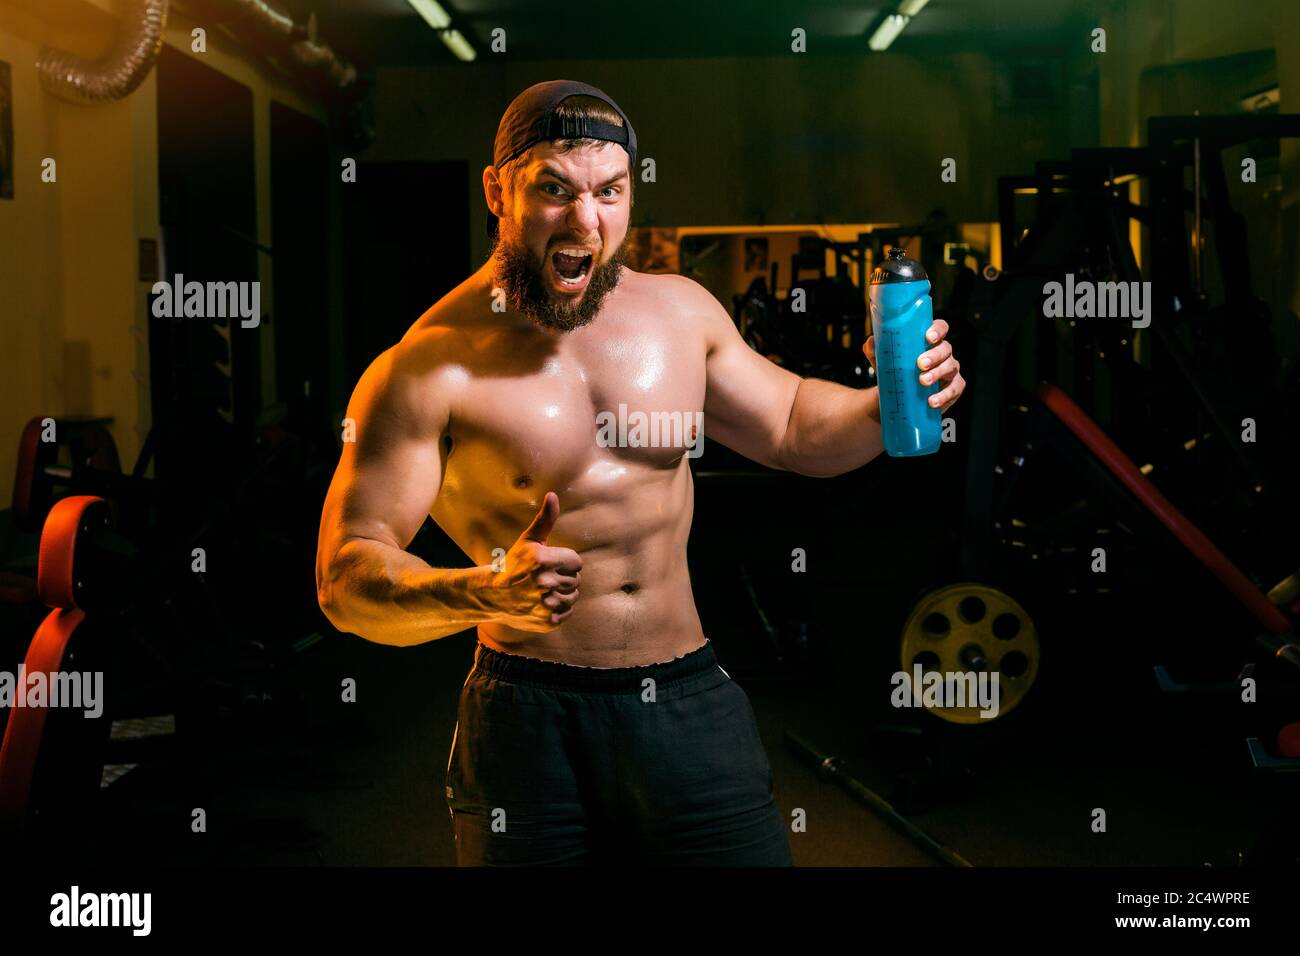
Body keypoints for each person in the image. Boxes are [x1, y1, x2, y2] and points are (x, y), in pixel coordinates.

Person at [315, 80, 965, 866]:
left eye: (610, 192)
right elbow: (346, 579)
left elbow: (794, 426)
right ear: (498, 190)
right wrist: (478, 590)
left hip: (686, 699)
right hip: (525, 713)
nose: (586, 222)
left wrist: (888, 402)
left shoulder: (682, 315)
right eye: (554, 189)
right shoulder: (425, 368)